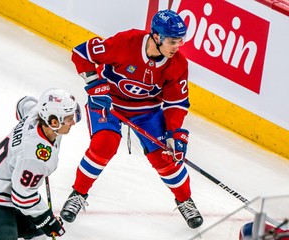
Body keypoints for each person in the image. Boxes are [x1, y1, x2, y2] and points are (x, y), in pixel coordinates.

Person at [60, 9, 203, 229]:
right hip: (109, 102)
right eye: (172, 41)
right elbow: (81, 54)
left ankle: (185, 201)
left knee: (166, 158)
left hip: (147, 111)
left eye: (180, 41)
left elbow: (176, 103)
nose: (177, 46)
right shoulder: (126, 42)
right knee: (104, 145)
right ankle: (78, 194)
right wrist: (96, 85)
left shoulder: (178, 64)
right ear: (157, 37)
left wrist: (174, 133)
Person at [0, 88, 81, 239]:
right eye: (69, 118)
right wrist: (46, 219)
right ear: (54, 121)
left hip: (13, 189)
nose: (73, 122)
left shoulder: (36, 115)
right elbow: (22, 197)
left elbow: (23, 103)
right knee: (41, 222)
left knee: (38, 227)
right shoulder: (34, 157)